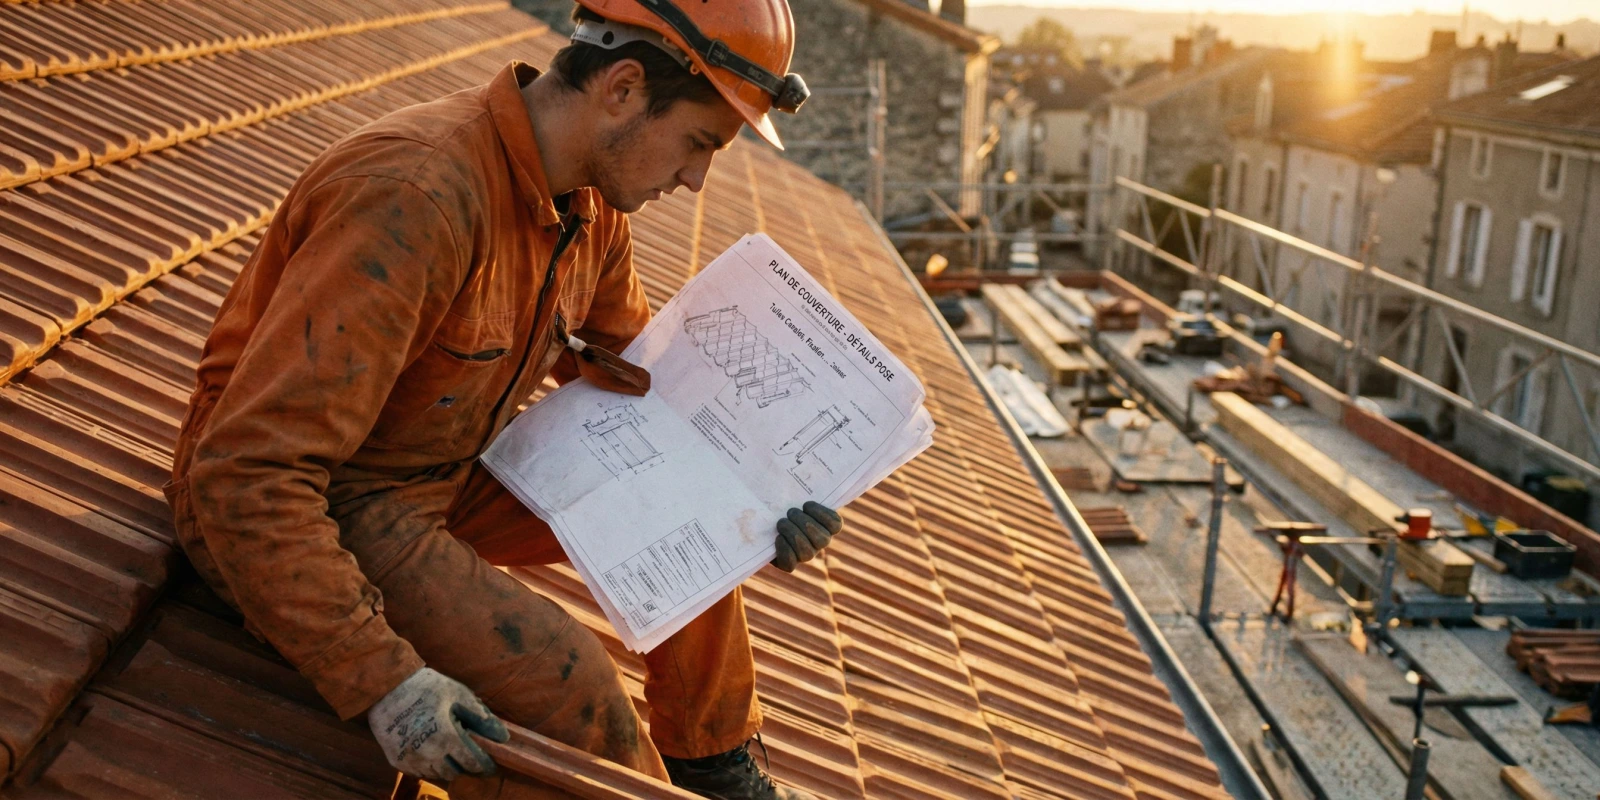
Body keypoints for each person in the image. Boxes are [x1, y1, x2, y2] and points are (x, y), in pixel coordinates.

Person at [163, 0, 836, 797]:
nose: (695, 179)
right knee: (574, 688)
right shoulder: (414, 196)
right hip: (325, 506)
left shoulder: (585, 206)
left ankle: (712, 764)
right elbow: (247, 474)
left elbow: (651, 390)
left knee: (696, 523)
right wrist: (382, 680)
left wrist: (761, 502)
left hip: (441, 476)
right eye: (699, 144)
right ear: (622, 90)